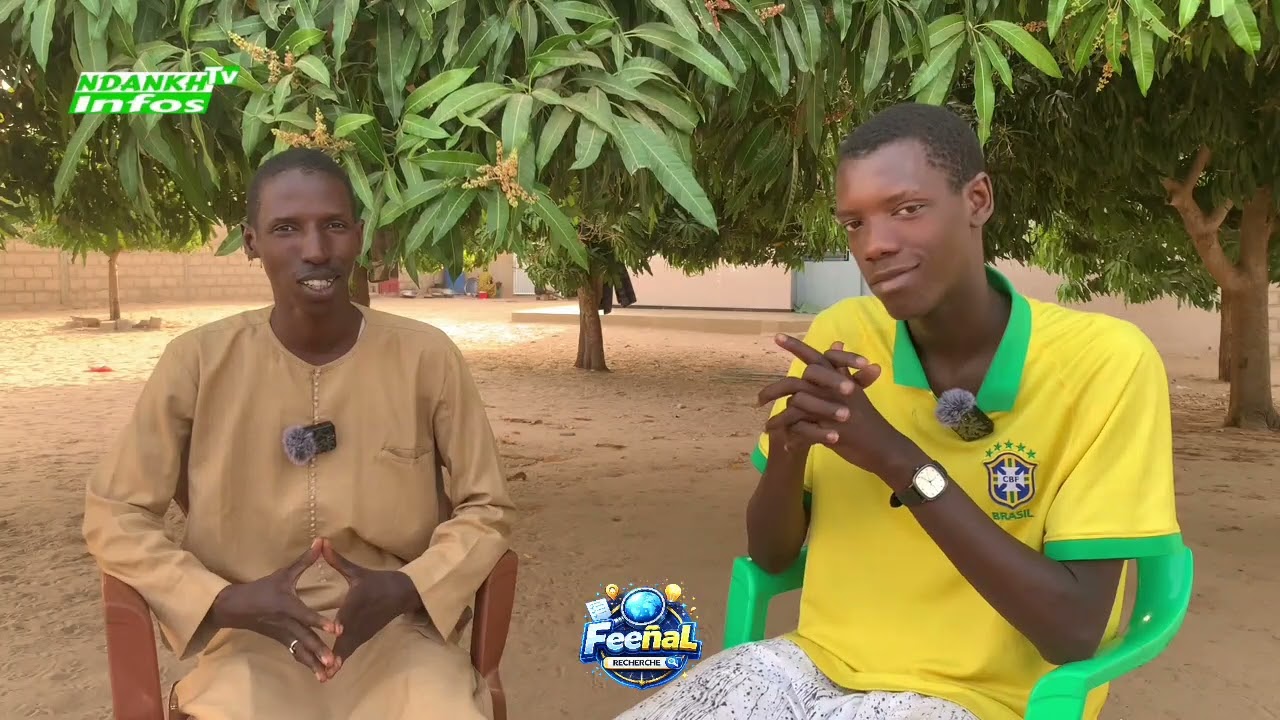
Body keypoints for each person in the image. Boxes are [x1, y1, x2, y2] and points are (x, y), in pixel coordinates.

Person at [614, 103, 1181, 720]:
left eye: (907, 209)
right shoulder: (842, 335)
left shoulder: (1106, 363)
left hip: (971, 701)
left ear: (978, 199)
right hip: (805, 669)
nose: (876, 245)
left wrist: (898, 460)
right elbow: (773, 557)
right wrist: (788, 452)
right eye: (854, 223)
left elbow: (1072, 631)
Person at [82, 148, 517, 720]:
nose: (315, 249)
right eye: (286, 229)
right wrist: (222, 600)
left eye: (334, 225)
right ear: (251, 242)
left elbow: (488, 507)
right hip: (248, 641)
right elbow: (115, 514)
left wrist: (407, 588)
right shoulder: (197, 362)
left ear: (359, 236)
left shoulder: (427, 357)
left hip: (397, 635)